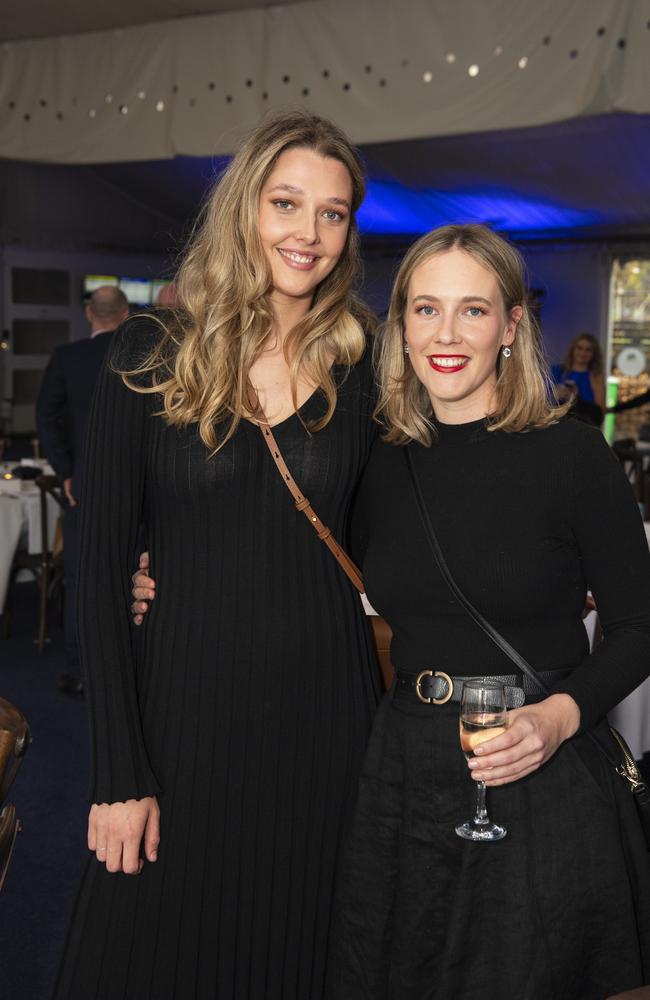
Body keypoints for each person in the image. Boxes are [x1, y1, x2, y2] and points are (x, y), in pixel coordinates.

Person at [54, 110, 382, 1000]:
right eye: (287, 203)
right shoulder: (147, 355)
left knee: (303, 953)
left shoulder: (365, 367)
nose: (308, 234)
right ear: (245, 208)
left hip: (327, 721)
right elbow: (97, 569)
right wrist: (118, 772)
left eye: (333, 212)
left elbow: (405, 535)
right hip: (180, 713)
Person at [326, 224, 650, 998]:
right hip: (405, 764)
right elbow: (297, 565)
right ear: (399, 323)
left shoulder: (573, 457)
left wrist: (559, 718)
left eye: (473, 311)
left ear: (511, 326)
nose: (446, 334)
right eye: (425, 308)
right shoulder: (372, 458)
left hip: (539, 759)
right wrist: (157, 579)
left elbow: (640, 627)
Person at [36, 285, 130, 695]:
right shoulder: (142, 358)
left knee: (81, 577)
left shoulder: (67, 357)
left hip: (84, 484)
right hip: (136, 485)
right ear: (125, 315)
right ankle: (131, 666)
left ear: (90, 314)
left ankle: (79, 671)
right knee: (135, 575)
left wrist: (66, 470)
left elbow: (46, 417)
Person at [551, 331, 605, 425]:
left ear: (593, 354)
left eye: (588, 350)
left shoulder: (595, 377)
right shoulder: (557, 371)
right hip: (557, 425)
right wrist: (555, 395)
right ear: (573, 349)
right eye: (579, 348)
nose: (583, 353)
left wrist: (576, 398)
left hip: (583, 427)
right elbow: (540, 401)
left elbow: (599, 413)